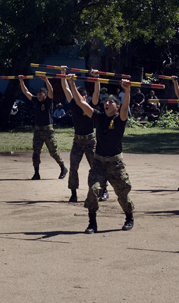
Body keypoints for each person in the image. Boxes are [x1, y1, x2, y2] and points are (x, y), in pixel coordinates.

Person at [72, 78, 134, 233]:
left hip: (115, 164)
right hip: (99, 162)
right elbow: (81, 103)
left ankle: (129, 217)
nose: (107, 103)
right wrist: (71, 83)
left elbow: (125, 107)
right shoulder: (98, 116)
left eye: (111, 102)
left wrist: (127, 90)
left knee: (122, 194)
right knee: (93, 190)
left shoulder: (120, 119)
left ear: (117, 107)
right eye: (105, 101)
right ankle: (92, 223)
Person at [61, 67, 108, 203]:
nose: (76, 97)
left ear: (85, 97)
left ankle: (104, 190)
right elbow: (66, 89)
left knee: (96, 167)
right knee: (73, 168)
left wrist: (97, 77)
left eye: (79, 95)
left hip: (90, 140)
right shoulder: (74, 104)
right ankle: (73, 193)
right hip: (77, 141)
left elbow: (97, 92)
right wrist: (63, 74)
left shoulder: (90, 106)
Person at [19, 75, 68, 180]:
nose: (39, 96)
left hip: (48, 130)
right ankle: (36, 173)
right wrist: (21, 81)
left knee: (53, 152)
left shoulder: (48, 101)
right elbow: (26, 92)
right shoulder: (36, 100)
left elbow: (51, 90)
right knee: (36, 153)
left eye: (41, 94)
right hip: (38, 130)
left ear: (45, 95)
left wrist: (46, 80)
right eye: (38, 94)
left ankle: (63, 168)